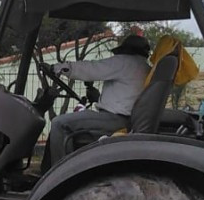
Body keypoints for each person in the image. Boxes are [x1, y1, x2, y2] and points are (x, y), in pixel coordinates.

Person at [46, 34, 151, 164]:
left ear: (126, 49)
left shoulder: (124, 62)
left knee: (59, 123)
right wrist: (97, 98)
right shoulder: (145, 68)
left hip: (115, 120)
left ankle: (56, 173)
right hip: (127, 120)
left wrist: (57, 68)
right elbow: (126, 97)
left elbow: (92, 69)